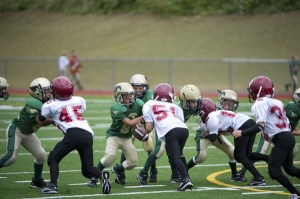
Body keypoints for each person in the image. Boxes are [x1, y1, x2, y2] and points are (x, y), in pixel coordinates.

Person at [37, 76, 110, 194]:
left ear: (55, 91)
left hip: (73, 134)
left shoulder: (50, 104)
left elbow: (40, 119)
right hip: (87, 134)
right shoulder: (79, 100)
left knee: (53, 158)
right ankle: (102, 176)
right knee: (87, 170)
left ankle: (52, 186)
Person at [232, 75, 300, 199]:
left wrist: (241, 133)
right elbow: (287, 125)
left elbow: (260, 126)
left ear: (259, 91)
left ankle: (296, 194)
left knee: (274, 171)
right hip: (287, 137)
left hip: (281, 139)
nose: (250, 93)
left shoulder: (260, 102)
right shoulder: (277, 102)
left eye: (252, 91)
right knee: (290, 169)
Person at [137, 84, 202, 185]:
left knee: (175, 153)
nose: (195, 104)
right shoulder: (176, 107)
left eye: (196, 102)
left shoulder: (150, 104)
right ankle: (144, 172)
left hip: (169, 127)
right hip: (166, 128)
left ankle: (178, 176)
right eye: (192, 102)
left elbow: (149, 127)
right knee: (160, 150)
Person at [0, 77, 52, 188]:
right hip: (17, 131)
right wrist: (55, 120)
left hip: (28, 133)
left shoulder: (45, 102)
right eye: (46, 90)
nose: (49, 92)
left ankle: (36, 181)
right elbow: (40, 121)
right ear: (38, 92)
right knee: (11, 158)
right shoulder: (33, 102)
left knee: (40, 155)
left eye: (49, 89)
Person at [88, 82, 144, 186]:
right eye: (126, 96)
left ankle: (117, 169)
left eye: (131, 95)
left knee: (133, 162)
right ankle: (94, 177)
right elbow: (130, 122)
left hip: (127, 137)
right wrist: (143, 116)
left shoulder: (139, 104)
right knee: (109, 157)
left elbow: (142, 120)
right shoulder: (115, 108)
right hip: (114, 136)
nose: (130, 98)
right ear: (118, 97)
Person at [238, 87, 300, 176]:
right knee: (261, 152)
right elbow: (288, 129)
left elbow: (290, 127)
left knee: (293, 152)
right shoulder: (293, 108)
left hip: (280, 133)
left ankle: (274, 166)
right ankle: (242, 173)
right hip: (271, 130)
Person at [186, 95, 243, 182]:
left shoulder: (214, 114)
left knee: (232, 152)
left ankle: (235, 174)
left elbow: (221, 130)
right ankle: (184, 170)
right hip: (203, 135)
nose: (199, 114)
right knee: (201, 156)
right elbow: (205, 131)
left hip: (216, 134)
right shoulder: (205, 120)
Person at [127, 74, 157, 183]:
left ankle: (153, 170)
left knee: (149, 147)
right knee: (127, 144)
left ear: (145, 88)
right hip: (132, 124)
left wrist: (144, 124)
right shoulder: (127, 94)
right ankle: (120, 173)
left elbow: (151, 107)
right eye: (135, 88)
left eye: (140, 88)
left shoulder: (149, 95)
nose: (138, 90)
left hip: (146, 124)